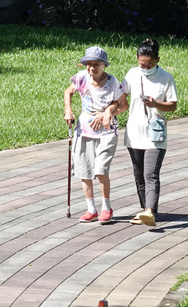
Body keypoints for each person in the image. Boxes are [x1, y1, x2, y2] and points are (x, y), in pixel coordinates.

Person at [63, 46, 128, 224]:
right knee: (85, 171)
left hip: (107, 132)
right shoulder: (81, 78)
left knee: (100, 170)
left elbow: (123, 105)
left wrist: (107, 113)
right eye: (88, 64)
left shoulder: (113, 82)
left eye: (96, 64)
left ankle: (106, 207)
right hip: (84, 130)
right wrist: (68, 110)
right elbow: (68, 92)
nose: (92, 68)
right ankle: (91, 209)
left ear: (104, 65)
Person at [121, 38, 178, 226]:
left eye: (150, 64)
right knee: (139, 175)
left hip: (155, 135)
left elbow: (173, 106)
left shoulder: (166, 78)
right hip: (134, 133)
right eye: (142, 64)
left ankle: (149, 211)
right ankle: (145, 210)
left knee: (150, 174)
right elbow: (122, 97)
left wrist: (156, 104)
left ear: (158, 60)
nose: (145, 67)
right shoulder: (132, 74)